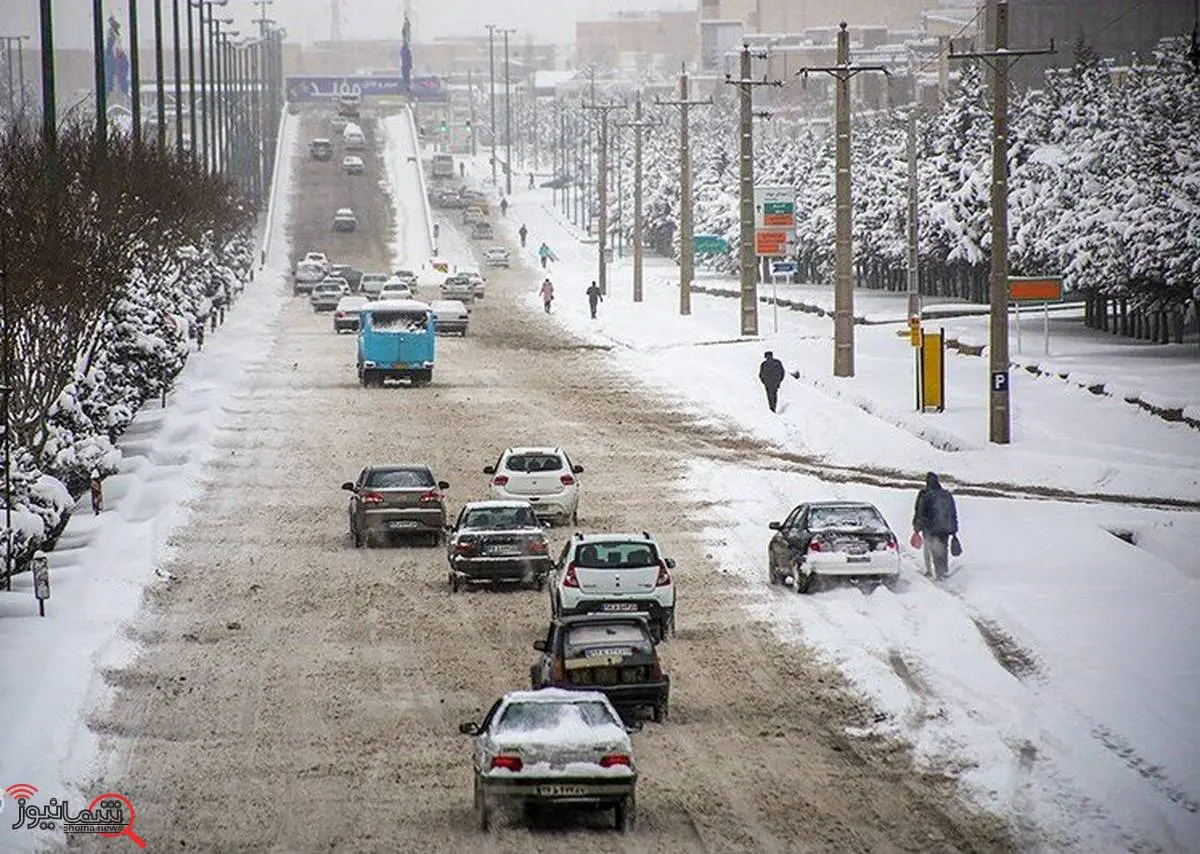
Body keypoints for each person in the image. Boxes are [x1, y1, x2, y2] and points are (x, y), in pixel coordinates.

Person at [912, 472, 959, 580]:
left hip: (930, 528)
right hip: (945, 528)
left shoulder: (924, 494)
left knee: (932, 549)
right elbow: (952, 512)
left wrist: (917, 527)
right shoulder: (946, 494)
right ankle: (943, 570)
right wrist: (954, 529)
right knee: (943, 548)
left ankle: (934, 572)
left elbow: (919, 511)